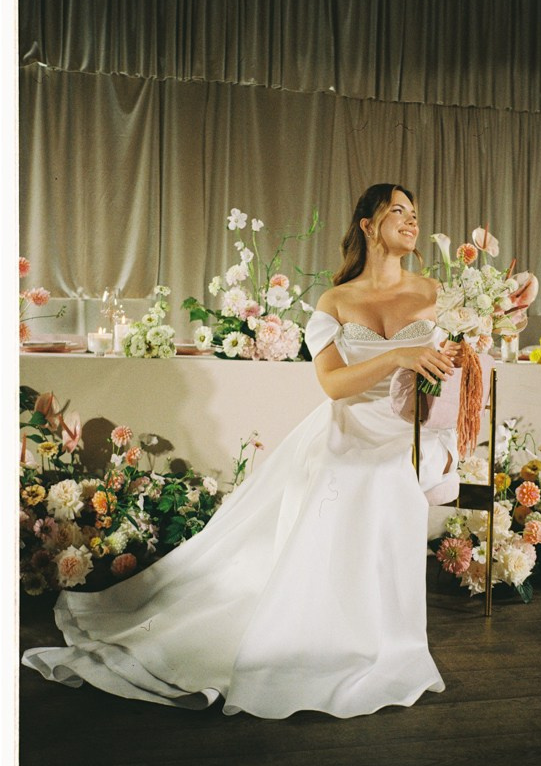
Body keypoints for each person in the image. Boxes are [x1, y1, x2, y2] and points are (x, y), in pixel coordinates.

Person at [22, 184, 461, 719]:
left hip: (408, 429)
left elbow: (447, 369)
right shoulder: (336, 301)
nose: (412, 221)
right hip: (348, 422)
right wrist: (399, 354)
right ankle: (319, 630)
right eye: (398, 211)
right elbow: (333, 385)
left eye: (415, 213)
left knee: (390, 473)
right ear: (368, 225)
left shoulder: (435, 292)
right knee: (338, 472)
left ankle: (382, 637)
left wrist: (452, 360)